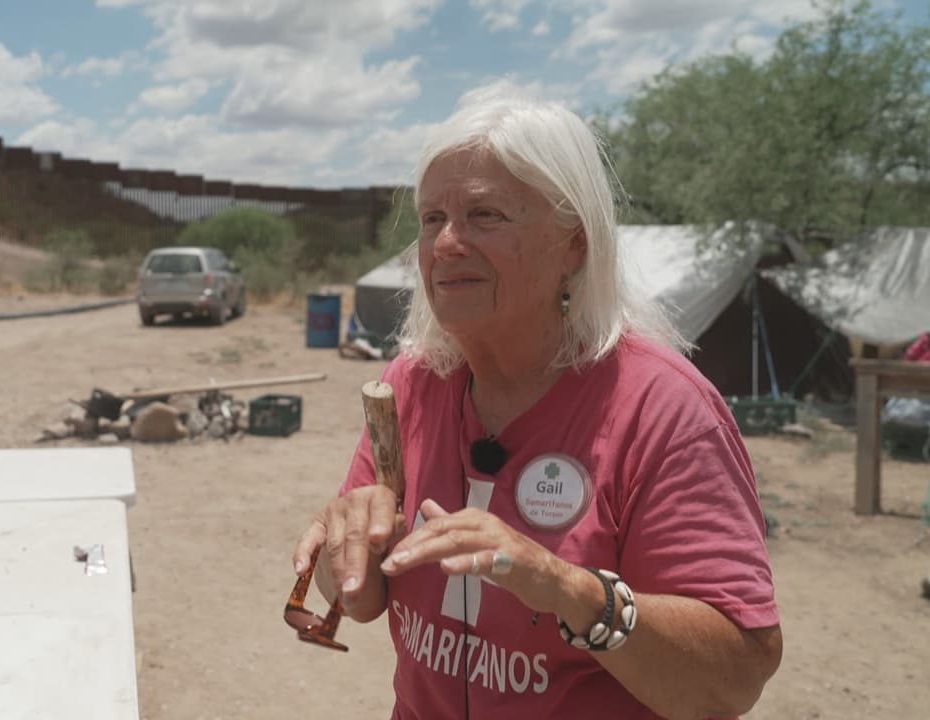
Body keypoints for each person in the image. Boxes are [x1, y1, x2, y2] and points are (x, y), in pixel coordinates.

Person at [292, 85, 783, 719]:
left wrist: (568, 591)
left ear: (574, 243)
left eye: (485, 216)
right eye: (432, 219)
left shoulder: (661, 409)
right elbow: (359, 600)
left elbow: (735, 679)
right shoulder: (413, 384)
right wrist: (340, 552)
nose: (444, 245)